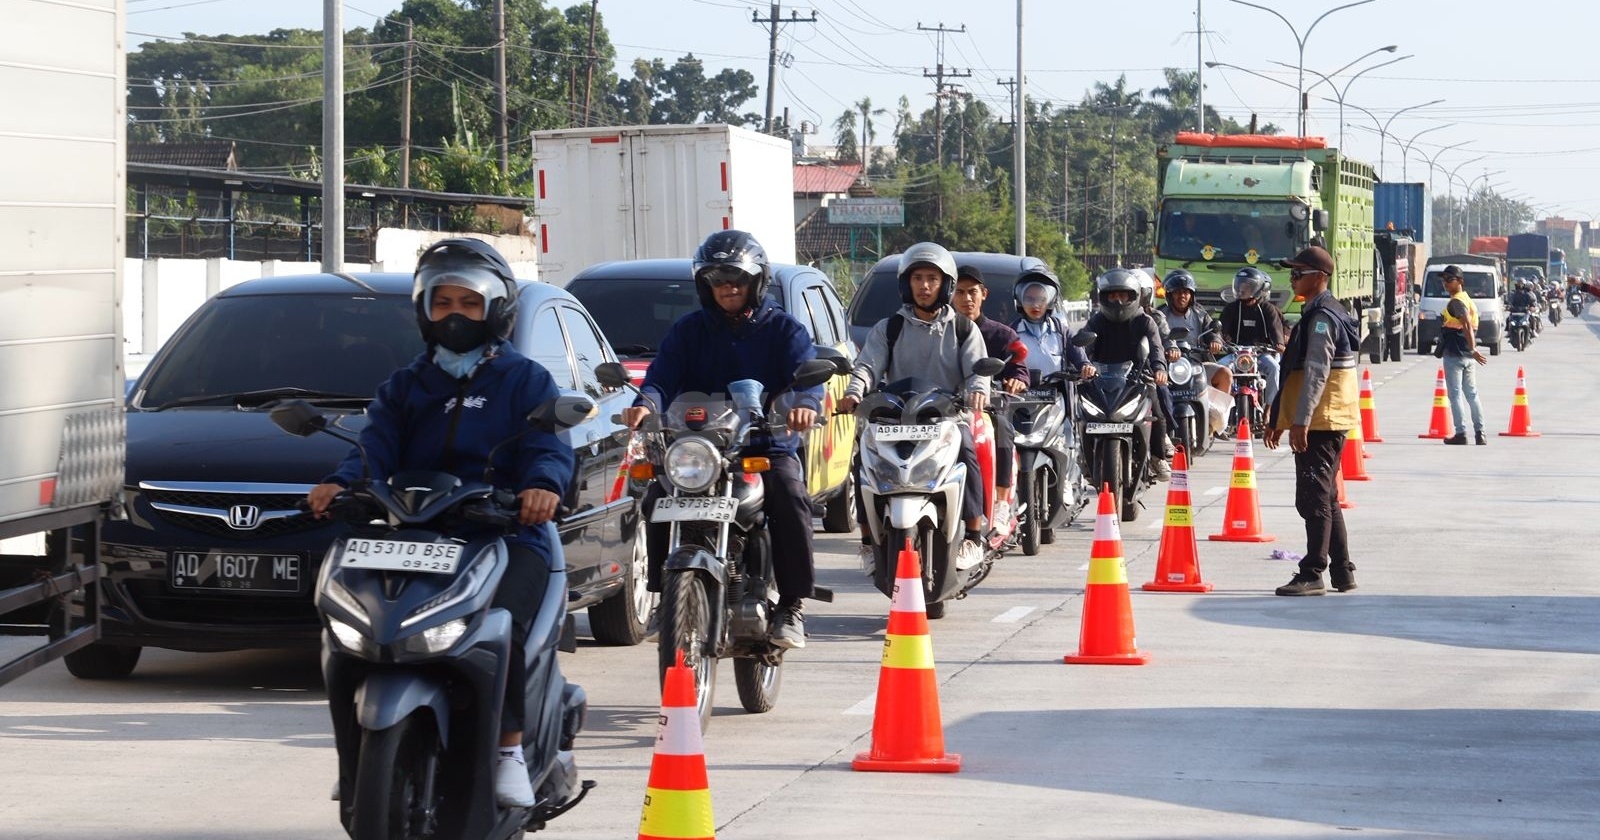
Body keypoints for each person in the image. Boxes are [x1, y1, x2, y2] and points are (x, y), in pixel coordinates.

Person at [307, 238, 574, 808]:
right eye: (443, 302)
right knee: (349, 622)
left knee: (504, 624)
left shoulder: (525, 380)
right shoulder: (406, 385)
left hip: (504, 534)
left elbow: (548, 447)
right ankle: (356, 750)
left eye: (469, 303)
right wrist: (342, 482)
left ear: (496, 309)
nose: (456, 315)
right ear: (423, 309)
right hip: (412, 534)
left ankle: (508, 749)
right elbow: (374, 446)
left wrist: (542, 488)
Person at [620, 230, 821, 649]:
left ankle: (791, 604)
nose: (728, 287)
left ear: (756, 281)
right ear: (704, 285)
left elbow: (806, 377)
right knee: (656, 494)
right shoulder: (688, 331)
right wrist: (645, 405)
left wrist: (804, 405)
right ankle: (665, 596)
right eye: (717, 279)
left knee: (789, 493)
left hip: (763, 445)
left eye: (737, 279)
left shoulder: (784, 329)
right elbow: (661, 378)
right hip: (699, 449)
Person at [838, 242, 988, 572]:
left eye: (932, 279)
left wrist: (978, 391)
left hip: (947, 419)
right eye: (917, 278)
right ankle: (867, 541)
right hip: (896, 421)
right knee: (862, 460)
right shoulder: (888, 328)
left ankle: (973, 537)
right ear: (906, 284)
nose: (924, 286)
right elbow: (867, 367)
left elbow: (978, 369)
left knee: (968, 451)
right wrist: (854, 392)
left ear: (945, 284)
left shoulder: (963, 329)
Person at [1264, 245, 1360, 596]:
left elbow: (1317, 372)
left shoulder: (1322, 319)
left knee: (1313, 498)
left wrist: (1301, 421)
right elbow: (1295, 371)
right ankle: (1342, 572)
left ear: (1318, 277)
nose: (1292, 279)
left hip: (1322, 420)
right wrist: (1279, 416)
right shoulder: (1317, 312)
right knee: (1327, 497)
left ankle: (1312, 572)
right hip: (1322, 418)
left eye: (1297, 274)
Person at [952, 265, 1029, 536]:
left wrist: (1017, 380)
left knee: (1003, 429)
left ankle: (1001, 502)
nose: (966, 299)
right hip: (946, 409)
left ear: (983, 294)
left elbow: (1019, 368)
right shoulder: (940, 332)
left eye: (972, 292)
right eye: (959, 292)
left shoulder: (1002, 335)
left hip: (989, 409)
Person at [1080, 268, 1172, 480]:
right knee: (1081, 412)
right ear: (1104, 297)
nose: (1118, 301)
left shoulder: (1145, 321)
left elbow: (1156, 348)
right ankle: (1085, 457)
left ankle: (1157, 457)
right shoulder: (1097, 321)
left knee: (1157, 412)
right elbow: (1083, 345)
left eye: (1123, 295)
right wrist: (1082, 365)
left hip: (1138, 379)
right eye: (1113, 295)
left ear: (1134, 296)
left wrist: (1159, 368)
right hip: (1101, 380)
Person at [1218, 266, 1288, 410]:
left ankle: (1270, 409)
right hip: (1235, 353)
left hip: (1260, 354)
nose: (1242, 289)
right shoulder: (1231, 308)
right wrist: (1220, 339)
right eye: (1240, 285)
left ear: (1257, 288)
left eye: (1247, 286)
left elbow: (1275, 328)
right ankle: (1219, 409)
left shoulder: (1268, 309)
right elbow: (1222, 329)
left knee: (1275, 368)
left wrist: (1279, 343)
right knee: (1218, 368)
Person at [1437, 265, 1489, 445]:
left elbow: (1466, 323)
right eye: (1444, 279)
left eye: (1449, 279)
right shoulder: (1468, 300)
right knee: (1472, 394)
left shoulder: (1457, 302)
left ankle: (1461, 433)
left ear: (1460, 281)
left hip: (1455, 354)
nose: (1445, 283)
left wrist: (1473, 348)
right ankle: (1480, 433)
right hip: (1467, 356)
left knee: (1456, 395)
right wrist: (1472, 350)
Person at [1012, 269, 1092, 379]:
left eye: (1041, 299)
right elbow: (1003, 369)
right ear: (1020, 301)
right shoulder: (1011, 335)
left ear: (1050, 301)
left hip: (1059, 389)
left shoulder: (1063, 333)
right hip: (1023, 390)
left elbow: (1082, 361)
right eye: (1029, 299)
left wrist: (1087, 368)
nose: (1035, 305)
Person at [1157, 269, 1222, 360]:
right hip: (1168, 363)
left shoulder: (1201, 315)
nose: (1182, 296)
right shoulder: (1159, 316)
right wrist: (1169, 349)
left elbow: (1212, 330)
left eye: (1186, 292)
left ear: (1191, 295)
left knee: (1224, 368)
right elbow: (1156, 339)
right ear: (1170, 295)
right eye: (1177, 292)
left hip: (1197, 361)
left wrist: (1215, 340)